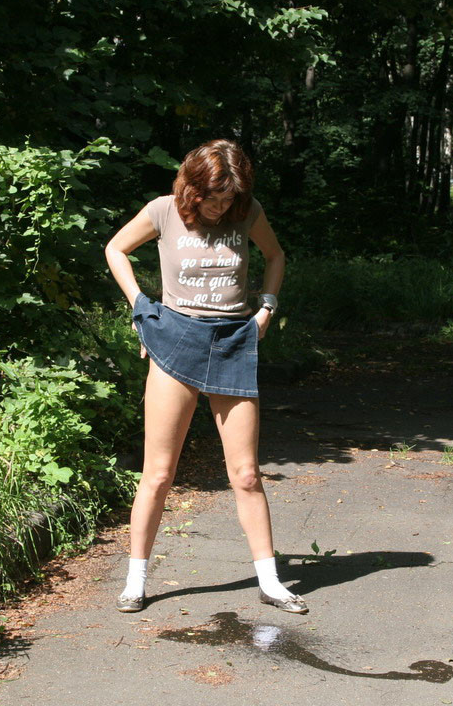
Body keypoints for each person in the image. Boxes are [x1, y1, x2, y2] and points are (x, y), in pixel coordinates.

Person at [103, 139, 306, 615]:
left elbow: (276, 257)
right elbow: (115, 248)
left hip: (235, 339)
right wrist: (139, 306)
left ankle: (272, 582)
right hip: (175, 336)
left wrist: (267, 310)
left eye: (229, 199)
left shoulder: (246, 210)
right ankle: (135, 582)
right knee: (158, 473)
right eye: (213, 198)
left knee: (247, 473)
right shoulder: (163, 211)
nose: (222, 208)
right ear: (192, 186)